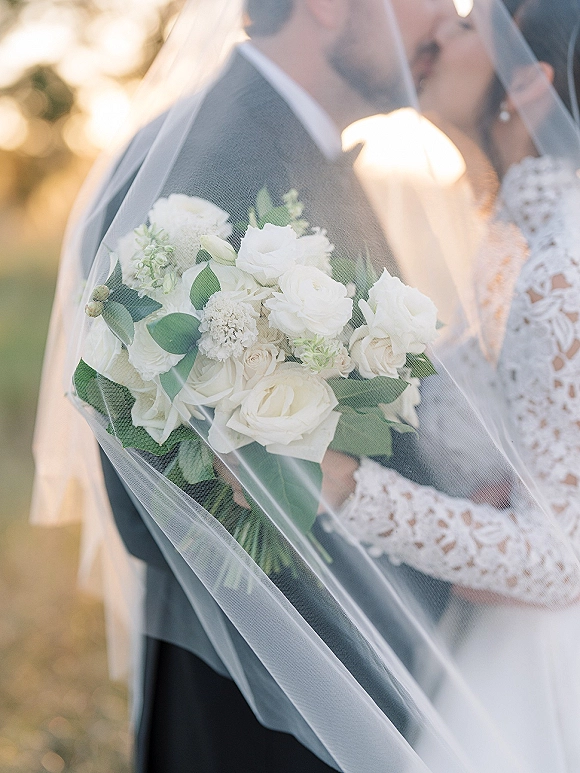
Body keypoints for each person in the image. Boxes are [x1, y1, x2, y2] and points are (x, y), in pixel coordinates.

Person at [94, 1, 453, 771]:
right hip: (264, 713)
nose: (449, 17)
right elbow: (162, 491)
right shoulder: (207, 169)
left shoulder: (296, 147)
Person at [324, 0, 580, 769]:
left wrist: (342, 486)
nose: (435, 35)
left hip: (542, 673)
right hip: (494, 646)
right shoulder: (519, 240)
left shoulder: (555, 269)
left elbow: (560, 555)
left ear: (529, 87)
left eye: (465, 28)